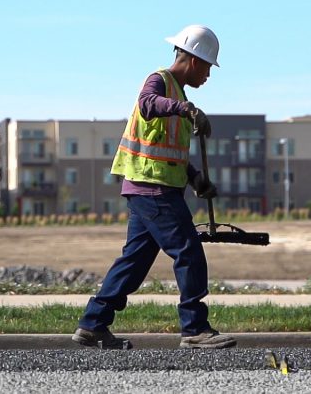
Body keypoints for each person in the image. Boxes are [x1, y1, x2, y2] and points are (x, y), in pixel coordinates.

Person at [72, 25, 236, 349]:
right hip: (152, 188)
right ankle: (194, 328)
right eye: (207, 67)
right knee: (188, 252)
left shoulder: (179, 94)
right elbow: (147, 104)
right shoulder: (159, 82)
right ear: (191, 59)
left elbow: (167, 150)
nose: (208, 75)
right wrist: (186, 110)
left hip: (150, 187)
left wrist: (195, 178)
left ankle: (93, 324)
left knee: (133, 263)